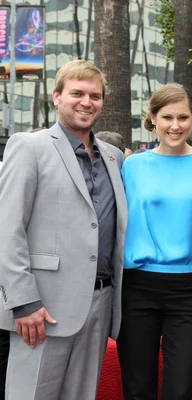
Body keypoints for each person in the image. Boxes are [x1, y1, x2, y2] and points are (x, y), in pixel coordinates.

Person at [0, 59, 126, 400]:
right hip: (43, 307)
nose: (87, 102)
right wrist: (24, 302)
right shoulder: (28, 147)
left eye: (95, 96)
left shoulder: (114, 157)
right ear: (57, 97)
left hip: (100, 303)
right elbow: (7, 228)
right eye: (77, 93)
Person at [116, 83, 192, 400]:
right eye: (166, 117)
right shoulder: (132, 166)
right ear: (152, 119)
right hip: (137, 287)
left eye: (182, 117)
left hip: (191, 290)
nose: (175, 126)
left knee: (179, 390)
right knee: (137, 390)